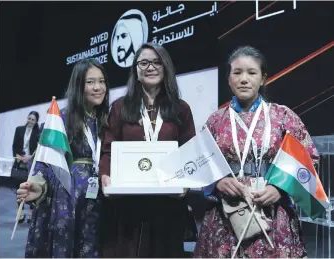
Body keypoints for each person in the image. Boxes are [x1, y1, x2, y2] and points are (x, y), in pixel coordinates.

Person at [193, 46, 319, 258]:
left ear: (262, 79)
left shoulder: (282, 116)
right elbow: (198, 163)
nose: (244, 79)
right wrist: (218, 182)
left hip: (273, 213)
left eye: (252, 73)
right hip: (226, 215)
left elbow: (309, 158)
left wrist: (281, 188)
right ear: (229, 79)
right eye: (237, 72)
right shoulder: (215, 121)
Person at [99, 42, 196, 257]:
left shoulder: (180, 108)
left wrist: (187, 184)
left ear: (166, 67)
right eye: (143, 62)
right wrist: (105, 176)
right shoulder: (120, 107)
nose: (150, 67)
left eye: (156, 62)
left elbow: (190, 151)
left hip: (167, 203)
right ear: (135, 69)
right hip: (128, 202)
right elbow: (108, 148)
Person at [16, 58, 110, 258]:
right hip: (66, 199)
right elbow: (43, 160)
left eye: (102, 81)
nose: (98, 87)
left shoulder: (107, 119)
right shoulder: (61, 119)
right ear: (78, 85)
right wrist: (38, 186)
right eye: (90, 82)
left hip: (99, 198)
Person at [12, 111, 40, 223]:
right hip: (20, 162)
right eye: (29, 118)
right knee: (20, 188)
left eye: (33, 120)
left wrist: (30, 157)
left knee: (31, 187)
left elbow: (38, 149)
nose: (30, 121)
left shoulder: (38, 132)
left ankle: (31, 213)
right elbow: (14, 146)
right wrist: (17, 155)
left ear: (36, 121)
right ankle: (20, 212)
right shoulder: (19, 129)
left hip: (32, 163)